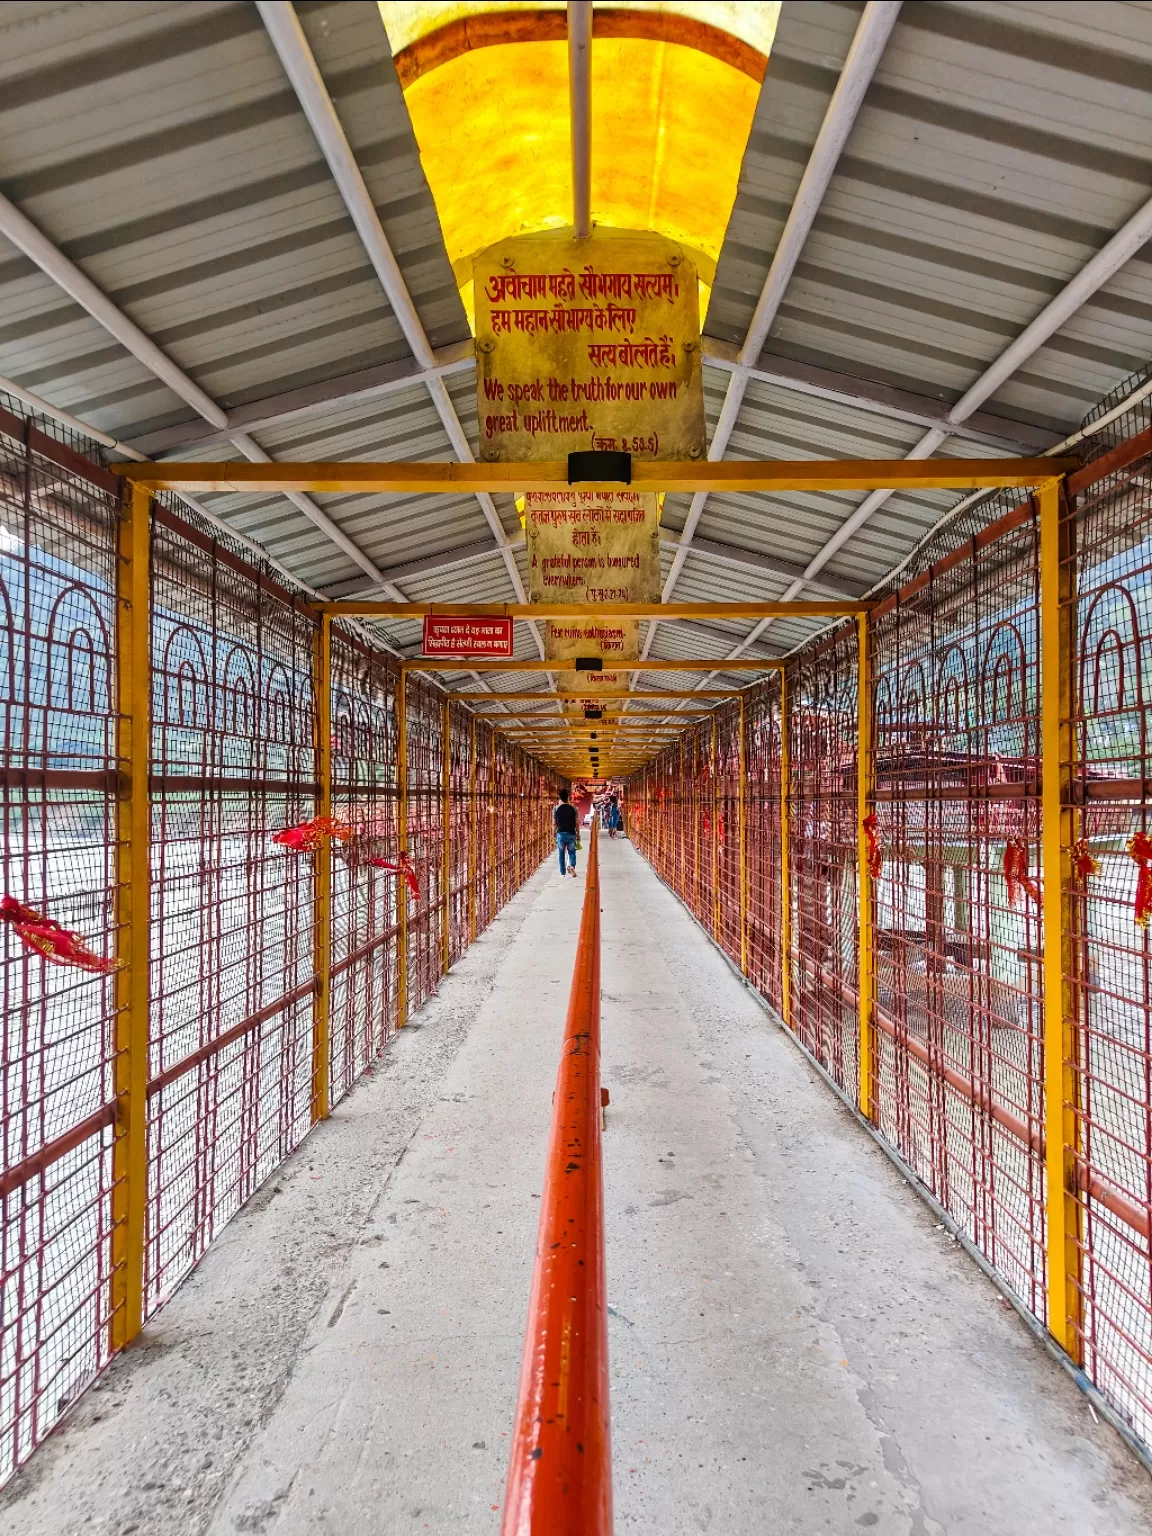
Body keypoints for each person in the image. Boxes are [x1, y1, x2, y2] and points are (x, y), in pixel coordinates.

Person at [553, 788, 579, 877]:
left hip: (560, 834)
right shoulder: (573, 808)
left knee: (561, 854)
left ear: (559, 798)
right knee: (572, 852)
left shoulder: (556, 809)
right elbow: (576, 822)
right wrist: (578, 833)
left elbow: (554, 823)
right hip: (571, 833)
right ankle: (572, 866)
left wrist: (554, 834)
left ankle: (562, 873)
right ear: (568, 798)